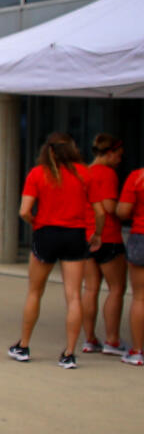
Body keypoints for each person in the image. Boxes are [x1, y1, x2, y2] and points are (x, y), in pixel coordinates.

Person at [11, 132, 104, 368]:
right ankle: (69, 353)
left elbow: (24, 211)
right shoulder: (85, 173)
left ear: (48, 150)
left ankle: (23, 345)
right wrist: (98, 233)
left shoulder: (38, 173)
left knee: (35, 291)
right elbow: (100, 211)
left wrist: (36, 222)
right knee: (73, 295)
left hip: (46, 233)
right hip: (75, 234)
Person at [80, 133, 126, 356]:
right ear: (108, 154)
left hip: (86, 235)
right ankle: (112, 339)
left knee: (90, 289)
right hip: (107, 236)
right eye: (118, 155)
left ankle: (89, 338)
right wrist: (128, 208)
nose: (120, 159)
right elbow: (109, 206)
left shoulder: (84, 172)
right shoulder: (107, 174)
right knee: (117, 288)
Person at [117, 165, 144, 365]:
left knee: (139, 298)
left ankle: (137, 351)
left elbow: (123, 211)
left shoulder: (137, 177)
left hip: (141, 236)